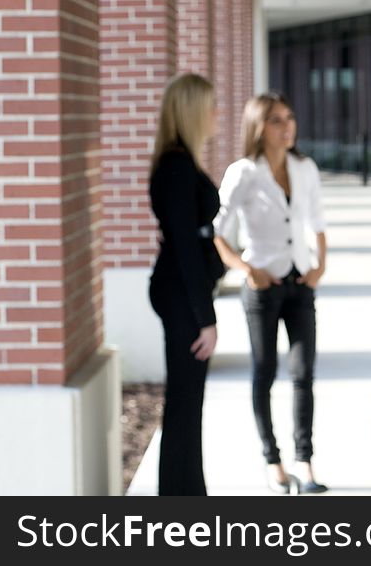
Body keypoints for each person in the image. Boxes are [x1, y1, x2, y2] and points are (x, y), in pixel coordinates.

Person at [213, 92, 328, 495]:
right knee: (263, 374)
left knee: (303, 375)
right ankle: (272, 460)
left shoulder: (305, 168)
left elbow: (317, 220)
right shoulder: (243, 173)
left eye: (290, 117)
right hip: (262, 289)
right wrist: (246, 270)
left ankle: (305, 461)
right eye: (277, 120)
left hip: (300, 284)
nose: (287, 126)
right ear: (259, 127)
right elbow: (217, 233)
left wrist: (320, 266)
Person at [148, 72, 225, 496]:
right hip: (181, 295)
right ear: (193, 111)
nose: (217, 115)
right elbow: (185, 250)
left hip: (181, 291)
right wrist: (206, 318)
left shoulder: (180, 163)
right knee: (184, 403)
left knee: (186, 402)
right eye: (211, 106)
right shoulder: (177, 167)